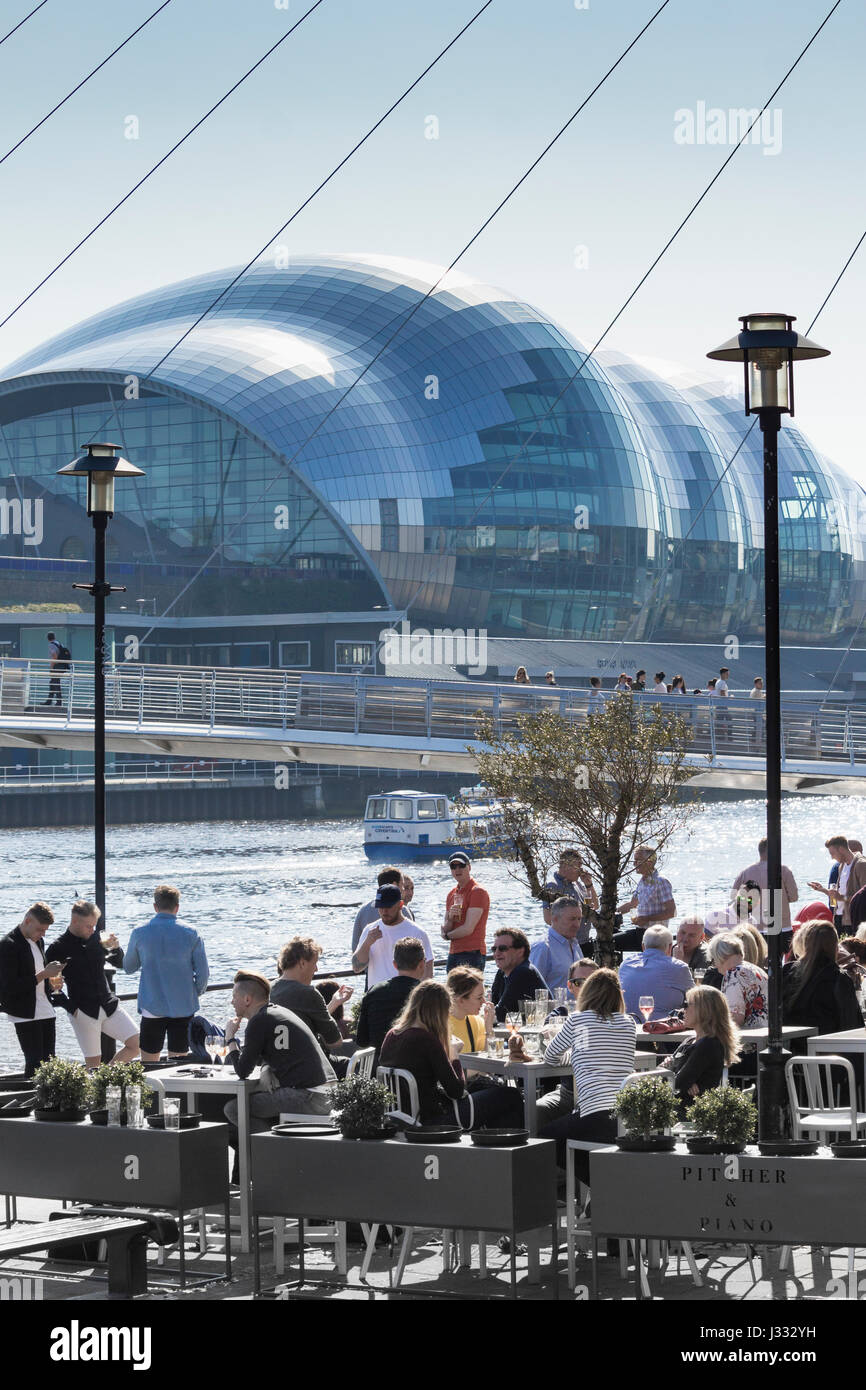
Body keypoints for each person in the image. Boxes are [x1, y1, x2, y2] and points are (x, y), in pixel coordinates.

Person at [223, 971, 336, 1171]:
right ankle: (271, 1158)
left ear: (247, 999)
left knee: (233, 1109)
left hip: (309, 1095)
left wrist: (230, 1038)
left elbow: (242, 1071)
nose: (232, 1002)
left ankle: (274, 1159)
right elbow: (271, 1053)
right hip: (325, 1091)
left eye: (234, 996)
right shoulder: (277, 1012)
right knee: (255, 1104)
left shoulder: (259, 1021)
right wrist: (267, 1067)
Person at [380, 979, 522, 1129]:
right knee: (510, 1095)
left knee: (493, 1097)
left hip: (400, 1116)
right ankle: (511, 1149)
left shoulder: (392, 1034)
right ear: (440, 1011)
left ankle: (495, 1147)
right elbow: (456, 1090)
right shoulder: (426, 1039)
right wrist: (454, 1055)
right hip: (433, 1119)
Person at [538, 969, 636, 1180]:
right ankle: (605, 1186)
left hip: (596, 1113)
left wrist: (560, 1042)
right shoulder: (629, 1023)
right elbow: (591, 1052)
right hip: (627, 1113)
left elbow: (550, 1056)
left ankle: (600, 1187)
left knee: (544, 1140)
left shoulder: (577, 1020)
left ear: (588, 993)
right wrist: (575, 1057)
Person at [45, 901, 138, 1069]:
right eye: (89, 926)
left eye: (94, 926)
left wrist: (116, 948)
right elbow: (50, 986)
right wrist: (71, 1008)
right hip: (83, 1011)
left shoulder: (97, 938)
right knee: (93, 1065)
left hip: (109, 1004)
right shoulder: (57, 947)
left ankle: (106, 1077)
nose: (92, 930)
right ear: (75, 922)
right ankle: (99, 1086)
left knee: (137, 1043)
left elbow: (120, 963)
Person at [123, 884, 209, 1062]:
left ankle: (152, 1090)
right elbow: (203, 974)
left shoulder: (139, 932)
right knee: (179, 1064)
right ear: (177, 907)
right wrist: (195, 992)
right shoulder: (192, 933)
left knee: (148, 1063)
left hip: (152, 1006)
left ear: (155, 906)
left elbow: (129, 967)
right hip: (183, 1006)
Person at [0, 903, 62, 1076]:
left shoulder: (38, 941)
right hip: (24, 1012)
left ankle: (52, 1103)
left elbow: (38, 975)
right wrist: (44, 974)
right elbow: (9, 986)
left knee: (51, 1063)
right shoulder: (8, 945)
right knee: (35, 1064)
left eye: (45, 930)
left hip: (45, 1008)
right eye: (40, 929)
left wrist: (51, 981)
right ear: (27, 921)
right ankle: (35, 1102)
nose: (43, 934)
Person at [535, 958, 599, 1124]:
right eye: (579, 982)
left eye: (592, 982)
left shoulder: (613, 1019)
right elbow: (547, 1034)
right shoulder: (562, 1014)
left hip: (596, 1094)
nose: (586, 987)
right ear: (570, 986)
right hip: (567, 1092)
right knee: (534, 1110)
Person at [658, 985, 740, 1108]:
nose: (682, 1010)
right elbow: (661, 1075)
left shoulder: (709, 1044)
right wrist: (673, 1072)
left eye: (686, 1005)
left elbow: (677, 1085)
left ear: (703, 1010)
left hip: (687, 1115)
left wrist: (670, 1068)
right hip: (677, 1108)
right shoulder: (690, 1040)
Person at [270, 936, 353, 1053]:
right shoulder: (308, 993)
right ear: (302, 963)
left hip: (272, 1065)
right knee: (357, 1066)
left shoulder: (267, 989)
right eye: (315, 963)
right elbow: (335, 1042)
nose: (316, 969)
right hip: (304, 1065)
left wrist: (334, 1003)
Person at [782, 920, 862, 1035]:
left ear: (804, 944)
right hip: (826, 1047)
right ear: (835, 947)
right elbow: (852, 1027)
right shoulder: (838, 979)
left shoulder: (788, 972)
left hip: (789, 1045)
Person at [355, 936, 427, 1059]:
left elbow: (362, 1040)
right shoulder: (427, 994)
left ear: (394, 964)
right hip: (416, 1069)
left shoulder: (374, 991)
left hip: (379, 1068)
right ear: (422, 964)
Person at [352, 884, 433, 986]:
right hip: (377, 998)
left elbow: (428, 973)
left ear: (400, 905)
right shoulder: (369, 930)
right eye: (380, 906)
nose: (384, 911)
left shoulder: (417, 932)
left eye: (388, 906)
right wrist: (367, 944)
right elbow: (356, 968)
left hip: (407, 998)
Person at [732, 837, 798, 948]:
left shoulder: (745, 873)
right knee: (778, 961)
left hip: (755, 928)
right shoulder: (784, 870)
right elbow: (794, 897)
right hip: (782, 926)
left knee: (758, 961)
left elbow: (735, 899)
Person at [619, 925, 693, 1021]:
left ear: (643, 946)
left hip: (630, 1027)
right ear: (670, 947)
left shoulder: (626, 963)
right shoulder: (679, 967)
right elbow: (695, 998)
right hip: (664, 1030)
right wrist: (679, 961)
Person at [613, 845, 676, 950]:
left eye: (638, 860)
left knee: (610, 943)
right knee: (609, 941)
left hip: (656, 935)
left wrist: (646, 918)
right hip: (641, 932)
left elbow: (671, 912)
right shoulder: (642, 881)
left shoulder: (661, 881)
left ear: (649, 862)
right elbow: (632, 905)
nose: (634, 864)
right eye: (634, 860)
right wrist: (611, 914)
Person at [541, 848, 597, 955]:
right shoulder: (553, 886)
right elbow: (548, 918)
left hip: (584, 942)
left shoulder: (578, 884)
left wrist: (589, 885)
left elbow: (595, 906)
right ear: (566, 866)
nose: (581, 871)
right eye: (578, 867)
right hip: (565, 945)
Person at [707, 933, 768, 1030]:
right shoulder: (756, 970)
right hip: (766, 1033)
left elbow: (735, 1019)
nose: (715, 966)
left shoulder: (733, 974)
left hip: (750, 1038)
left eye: (713, 960)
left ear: (719, 956)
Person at [441, 852, 489, 971]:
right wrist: (450, 920)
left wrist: (447, 936)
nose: (457, 869)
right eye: (453, 866)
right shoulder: (451, 894)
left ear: (469, 867)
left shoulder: (478, 891)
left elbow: (468, 929)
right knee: (452, 990)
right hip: (454, 952)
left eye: (461, 865)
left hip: (472, 952)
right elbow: (446, 927)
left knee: (469, 990)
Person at [490, 928, 550, 1022]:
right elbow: (493, 1007)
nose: (497, 953)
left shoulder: (523, 972)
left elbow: (500, 1014)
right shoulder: (502, 973)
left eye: (503, 948)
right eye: (494, 949)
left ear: (520, 951)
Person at [808, 836, 866, 932]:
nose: (832, 857)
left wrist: (841, 898)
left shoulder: (861, 864)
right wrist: (823, 890)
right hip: (839, 918)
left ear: (841, 849)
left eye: (832, 853)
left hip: (853, 920)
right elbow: (838, 896)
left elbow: (863, 898)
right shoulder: (841, 866)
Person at [351, 867, 415, 953]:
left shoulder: (363, 911)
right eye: (403, 885)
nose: (404, 890)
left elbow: (355, 948)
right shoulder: (402, 910)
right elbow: (414, 949)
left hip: (368, 965)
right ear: (395, 885)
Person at [530, 898, 584, 992]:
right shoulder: (542, 947)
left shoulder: (574, 944)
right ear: (554, 919)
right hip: (554, 1006)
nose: (577, 924)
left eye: (579, 919)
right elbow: (531, 988)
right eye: (572, 919)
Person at [447, 965, 495, 1056]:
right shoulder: (439, 1025)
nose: (484, 1001)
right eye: (479, 997)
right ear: (461, 1000)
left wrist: (489, 1028)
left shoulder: (477, 1022)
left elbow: (489, 1059)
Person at [43, 631, 68, 708]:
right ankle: (50, 701)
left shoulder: (51, 645)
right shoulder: (58, 643)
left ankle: (58, 702)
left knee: (55, 683)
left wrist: (51, 667)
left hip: (56, 666)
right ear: (54, 637)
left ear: (48, 638)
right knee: (53, 682)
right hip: (62, 666)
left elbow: (54, 656)